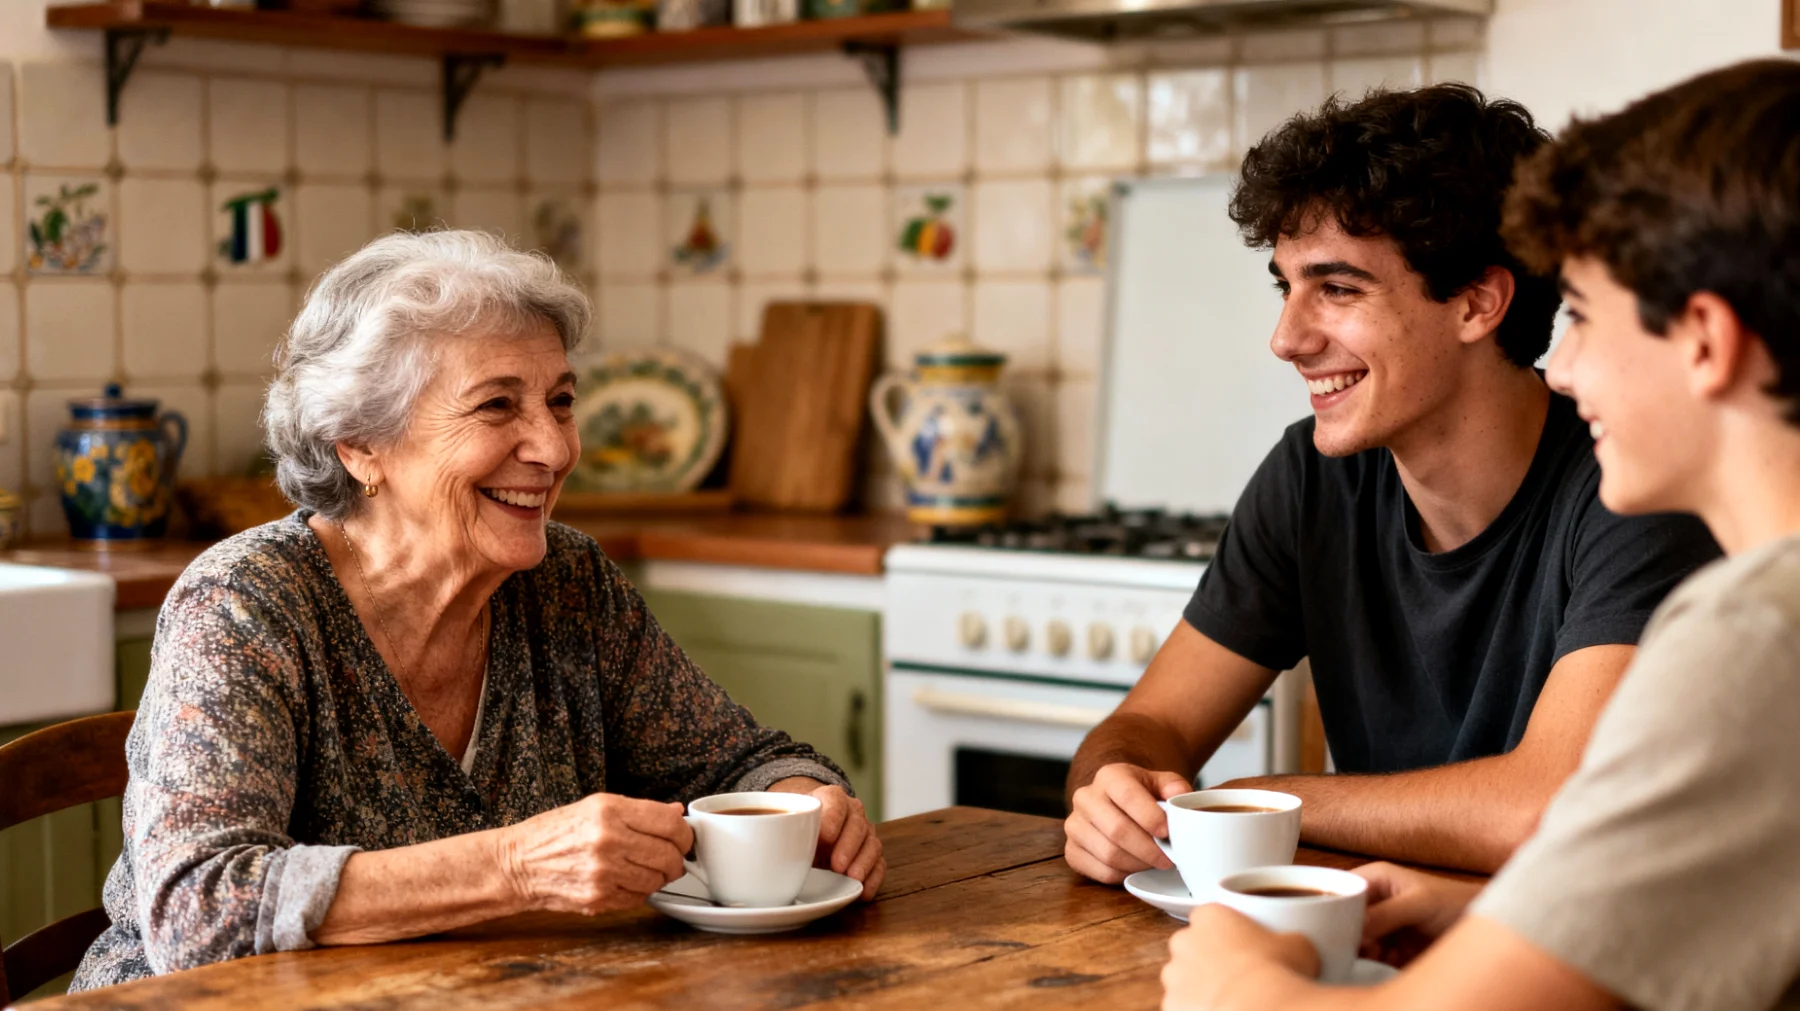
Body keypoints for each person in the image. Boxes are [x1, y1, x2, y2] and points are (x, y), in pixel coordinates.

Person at [71, 230, 884, 990]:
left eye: (560, 401)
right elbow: (198, 909)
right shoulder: (249, 603)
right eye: (498, 406)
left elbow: (737, 762)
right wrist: (518, 865)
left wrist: (811, 797)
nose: (556, 447)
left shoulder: (568, 581)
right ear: (361, 443)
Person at [1160, 58, 1800, 1011]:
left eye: (1581, 313)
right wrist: (1491, 913)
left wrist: (1239, 982)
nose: (1565, 364)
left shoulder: (1756, 633)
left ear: (1703, 339)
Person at [1065, 83, 1722, 880]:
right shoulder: (1312, 476)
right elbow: (1149, 722)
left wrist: (1257, 802)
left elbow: (1545, 809)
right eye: (1287, 286)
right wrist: (1113, 789)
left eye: (1338, 289)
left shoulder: (1633, 484)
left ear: (1478, 302)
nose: (1286, 338)